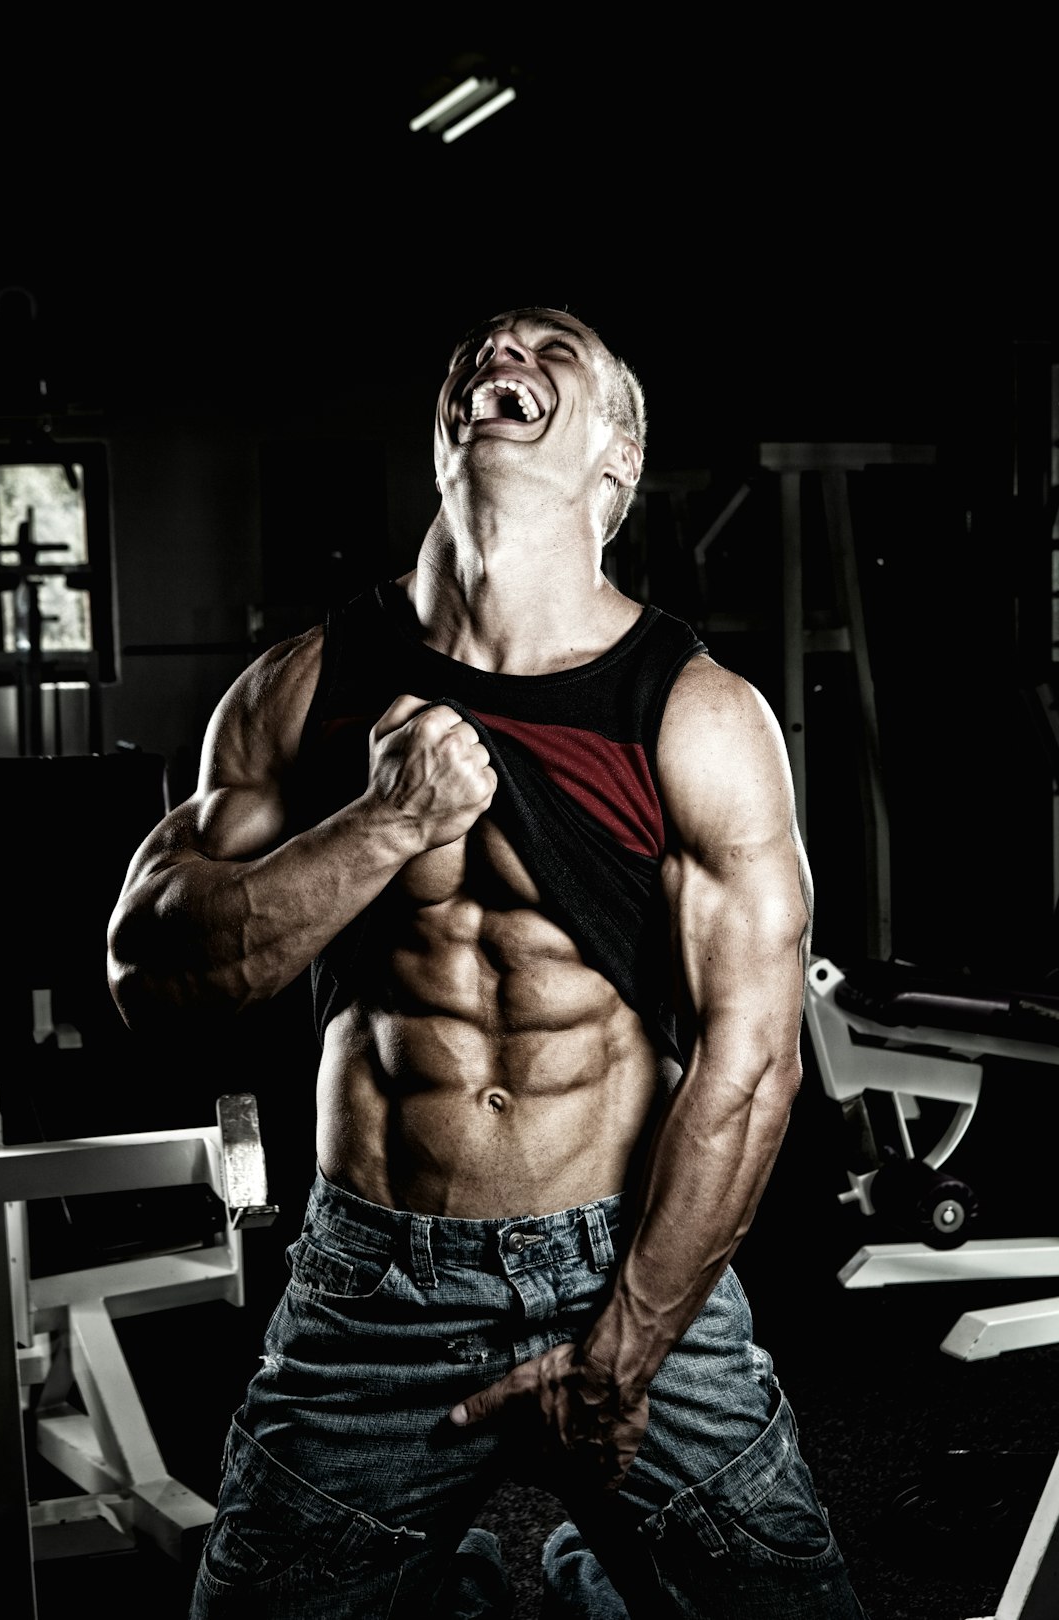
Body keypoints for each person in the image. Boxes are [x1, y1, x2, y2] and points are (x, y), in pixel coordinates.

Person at [107, 306, 867, 1618]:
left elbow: (750, 1067)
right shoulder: (304, 690)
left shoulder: (696, 714)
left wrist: (626, 1348)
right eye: (478, 351)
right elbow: (150, 978)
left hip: (627, 1259)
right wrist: (384, 822)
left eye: (552, 351)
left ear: (615, 460)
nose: (501, 355)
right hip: (371, 1278)